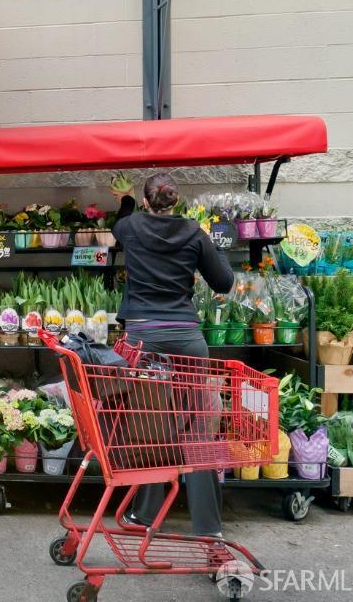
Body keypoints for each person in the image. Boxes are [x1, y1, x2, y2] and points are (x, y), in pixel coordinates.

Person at [111, 172, 235, 538]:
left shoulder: (131, 227)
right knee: (198, 432)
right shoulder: (195, 233)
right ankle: (209, 530)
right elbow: (224, 282)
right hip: (186, 339)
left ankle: (145, 516)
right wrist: (214, 245)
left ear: (148, 201)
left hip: (144, 339)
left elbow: (119, 226)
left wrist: (127, 200)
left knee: (151, 426)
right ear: (177, 202)